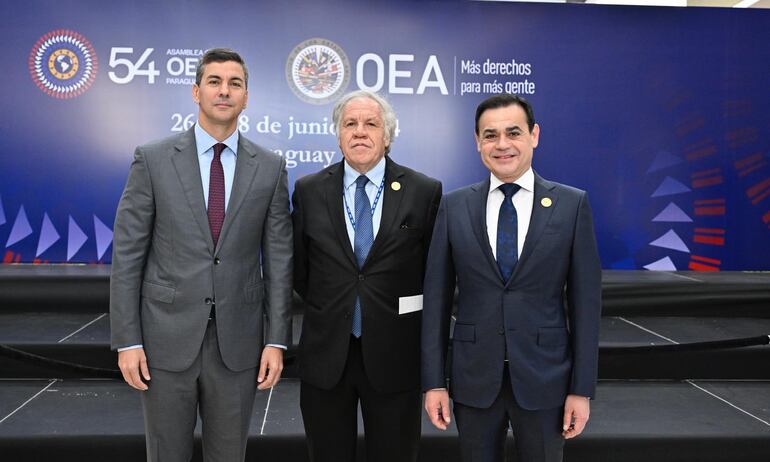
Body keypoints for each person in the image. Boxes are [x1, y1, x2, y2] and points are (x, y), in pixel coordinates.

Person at [110, 48, 292, 462]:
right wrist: (128, 340)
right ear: (196, 91)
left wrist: (277, 339)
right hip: (163, 341)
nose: (224, 91)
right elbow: (128, 254)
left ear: (247, 97)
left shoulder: (270, 167)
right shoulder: (152, 159)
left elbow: (279, 260)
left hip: (239, 346)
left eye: (235, 84)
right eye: (214, 82)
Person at [421, 94, 601, 462]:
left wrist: (581, 389)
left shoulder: (571, 205)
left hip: (545, 380)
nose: (502, 145)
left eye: (513, 133)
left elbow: (585, 304)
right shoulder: (454, 206)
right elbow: (436, 300)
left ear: (534, 135)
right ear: (477, 143)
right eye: (490, 135)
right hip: (473, 380)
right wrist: (434, 382)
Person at [292, 90, 442, 462]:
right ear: (338, 134)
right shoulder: (309, 191)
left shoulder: (423, 191)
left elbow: (432, 275)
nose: (360, 132)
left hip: (396, 356)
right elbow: (301, 271)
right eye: (350, 124)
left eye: (371, 124)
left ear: (387, 136)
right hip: (328, 355)